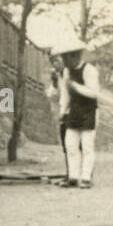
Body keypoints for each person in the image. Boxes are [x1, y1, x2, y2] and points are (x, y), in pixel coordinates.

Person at [55, 41, 97, 187]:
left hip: (88, 110)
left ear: (75, 56)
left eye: (66, 58)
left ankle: (86, 177)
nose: (64, 62)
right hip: (74, 110)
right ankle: (73, 176)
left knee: (86, 145)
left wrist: (76, 86)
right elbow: (66, 93)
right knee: (70, 144)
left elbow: (93, 93)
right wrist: (62, 111)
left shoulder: (89, 70)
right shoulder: (67, 71)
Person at [45, 52, 70, 182]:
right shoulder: (58, 77)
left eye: (58, 61)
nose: (55, 64)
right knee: (66, 145)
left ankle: (81, 173)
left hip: (72, 112)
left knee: (75, 145)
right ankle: (70, 172)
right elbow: (52, 96)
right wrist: (54, 82)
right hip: (63, 113)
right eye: (53, 62)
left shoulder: (69, 74)